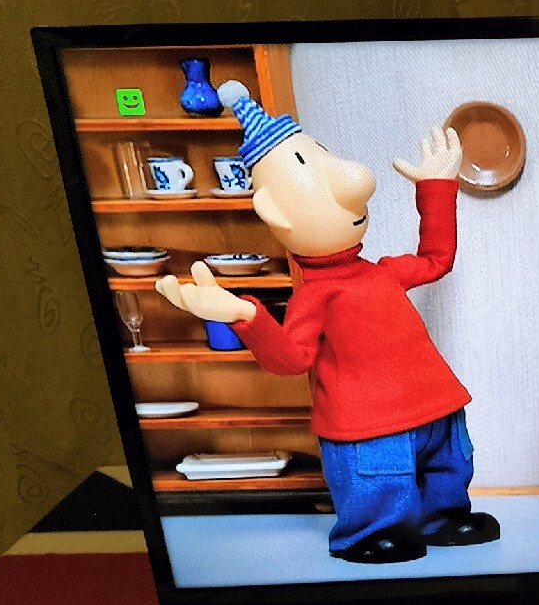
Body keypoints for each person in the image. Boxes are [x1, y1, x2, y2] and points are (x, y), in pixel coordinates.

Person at [156, 81, 499, 564]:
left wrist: (436, 185)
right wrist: (245, 314)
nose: (355, 180)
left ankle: (442, 517)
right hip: (367, 426)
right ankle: (370, 532)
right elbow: (291, 359)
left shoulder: (382, 272)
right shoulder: (313, 297)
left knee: (448, 466)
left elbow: (436, 258)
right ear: (274, 212)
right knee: (379, 483)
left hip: (436, 408)